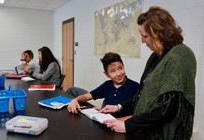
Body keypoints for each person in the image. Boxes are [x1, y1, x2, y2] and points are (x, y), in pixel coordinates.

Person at [100, 6, 197, 140]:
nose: (142, 41)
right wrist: (119, 107)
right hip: (146, 128)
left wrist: (128, 124)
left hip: (166, 133)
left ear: (159, 33)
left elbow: (166, 107)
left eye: (145, 36)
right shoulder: (155, 56)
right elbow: (143, 94)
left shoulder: (180, 55)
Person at [67, 52, 139, 117]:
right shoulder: (107, 85)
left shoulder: (135, 87)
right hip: (106, 124)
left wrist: (116, 121)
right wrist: (75, 100)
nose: (118, 73)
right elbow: (86, 96)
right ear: (107, 74)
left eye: (120, 68)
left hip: (124, 127)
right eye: (113, 71)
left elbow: (137, 115)